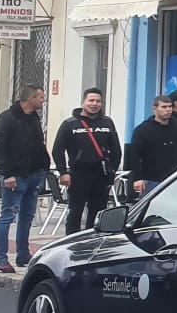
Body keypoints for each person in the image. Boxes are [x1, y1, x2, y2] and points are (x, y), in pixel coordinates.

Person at [0, 84, 51, 274]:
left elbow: (37, 144)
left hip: (34, 173)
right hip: (14, 176)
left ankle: (23, 254)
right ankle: (1, 259)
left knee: (27, 216)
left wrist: (43, 167)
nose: (43, 100)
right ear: (30, 99)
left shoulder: (33, 118)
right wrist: (7, 173)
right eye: (40, 97)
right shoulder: (7, 119)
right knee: (8, 215)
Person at [52, 88, 123, 233]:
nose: (94, 104)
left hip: (101, 175)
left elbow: (116, 150)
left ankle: (92, 242)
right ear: (83, 102)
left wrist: (112, 170)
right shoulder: (70, 124)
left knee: (98, 212)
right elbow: (57, 150)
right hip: (78, 175)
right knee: (75, 212)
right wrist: (63, 172)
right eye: (91, 100)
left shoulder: (107, 123)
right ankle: (70, 244)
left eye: (98, 101)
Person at [125, 95, 177, 196]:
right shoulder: (143, 130)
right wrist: (137, 178)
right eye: (164, 107)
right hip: (151, 179)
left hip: (176, 177)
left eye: (170, 107)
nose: (168, 110)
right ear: (155, 109)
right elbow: (135, 156)